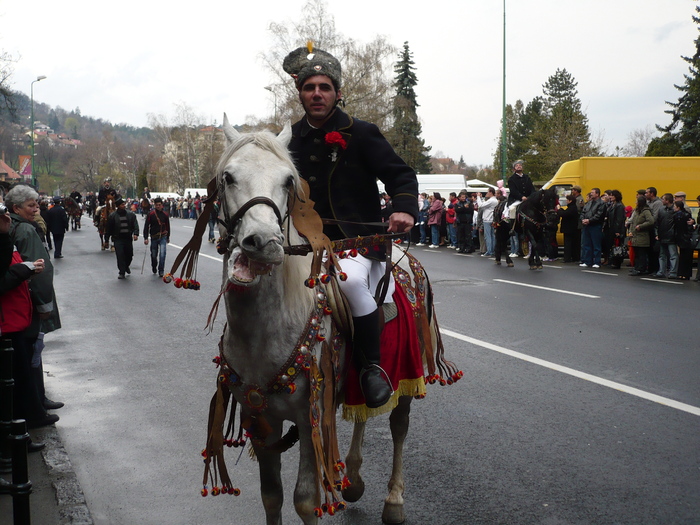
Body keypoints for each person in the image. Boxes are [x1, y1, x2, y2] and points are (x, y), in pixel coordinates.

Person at [284, 45, 418, 409]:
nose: (317, 93)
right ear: (300, 93)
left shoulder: (361, 132)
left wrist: (404, 208)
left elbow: (401, 175)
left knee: (352, 281)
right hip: (300, 245)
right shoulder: (287, 139)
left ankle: (370, 368)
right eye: (309, 86)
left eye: (324, 87)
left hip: (354, 244)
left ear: (337, 93)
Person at [6, 185, 64, 419]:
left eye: (37, 203)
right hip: (28, 300)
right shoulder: (25, 231)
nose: (36, 208)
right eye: (31, 205)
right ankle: (35, 408)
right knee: (32, 351)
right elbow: (38, 269)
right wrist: (43, 304)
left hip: (21, 299)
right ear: (16, 208)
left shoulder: (18, 226)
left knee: (31, 351)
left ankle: (39, 398)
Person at [506, 160, 535, 257]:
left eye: (520, 165)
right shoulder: (512, 179)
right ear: (514, 168)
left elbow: (532, 189)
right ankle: (513, 227)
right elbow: (513, 191)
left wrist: (530, 197)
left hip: (528, 199)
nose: (519, 166)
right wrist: (521, 197)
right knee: (512, 209)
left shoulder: (527, 177)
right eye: (517, 165)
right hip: (517, 199)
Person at [106, 198, 139, 279]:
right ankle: (122, 272)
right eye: (122, 204)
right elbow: (109, 229)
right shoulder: (112, 216)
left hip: (127, 238)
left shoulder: (130, 214)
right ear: (118, 206)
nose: (124, 206)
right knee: (120, 255)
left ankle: (126, 266)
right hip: (118, 239)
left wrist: (136, 234)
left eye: (124, 204)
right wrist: (106, 239)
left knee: (129, 255)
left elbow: (135, 225)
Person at [628, 195, 655, 276]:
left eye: (637, 201)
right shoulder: (637, 211)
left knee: (641, 253)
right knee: (637, 253)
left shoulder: (646, 211)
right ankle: (637, 267)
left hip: (642, 235)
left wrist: (641, 226)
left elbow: (651, 221)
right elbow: (633, 222)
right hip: (635, 235)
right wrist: (630, 231)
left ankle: (641, 269)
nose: (636, 203)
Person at [143, 197, 170, 277]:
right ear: (154, 205)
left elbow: (168, 226)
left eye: (159, 205)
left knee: (162, 254)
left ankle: (161, 270)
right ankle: (154, 265)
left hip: (163, 236)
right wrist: (145, 238)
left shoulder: (165, 215)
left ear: (162, 205)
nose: (158, 206)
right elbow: (146, 226)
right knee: (154, 255)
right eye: (156, 205)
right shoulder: (151, 214)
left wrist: (168, 237)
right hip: (154, 237)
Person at [579, 187, 606, 268]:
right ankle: (587, 261)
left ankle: (597, 262)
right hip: (587, 226)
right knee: (586, 244)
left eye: (593, 192)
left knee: (596, 245)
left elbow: (599, 215)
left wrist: (590, 220)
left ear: (597, 194)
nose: (591, 194)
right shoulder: (589, 203)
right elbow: (583, 212)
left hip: (595, 226)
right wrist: (583, 219)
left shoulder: (601, 203)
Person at [655, 193, 678, 278]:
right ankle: (662, 271)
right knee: (663, 255)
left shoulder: (673, 210)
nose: (662, 201)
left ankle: (672, 272)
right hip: (663, 235)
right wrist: (657, 233)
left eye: (663, 199)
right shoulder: (662, 209)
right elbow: (657, 222)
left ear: (667, 200)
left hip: (670, 236)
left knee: (672, 255)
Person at [604, 190, 626, 269]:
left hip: (616, 229)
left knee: (617, 246)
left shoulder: (619, 206)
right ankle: (612, 261)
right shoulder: (613, 205)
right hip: (611, 228)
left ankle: (617, 262)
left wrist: (617, 231)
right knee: (612, 245)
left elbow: (619, 219)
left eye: (612, 195)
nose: (610, 197)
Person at [672, 200, 694, 280]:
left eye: (675, 206)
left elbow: (689, 227)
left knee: (685, 257)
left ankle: (683, 274)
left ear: (678, 207)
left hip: (684, 238)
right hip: (683, 238)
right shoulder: (680, 215)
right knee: (683, 257)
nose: (673, 208)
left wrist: (687, 236)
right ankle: (683, 274)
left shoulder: (683, 215)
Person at [558, 193, 579, 262]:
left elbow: (564, 214)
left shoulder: (572, 208)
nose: (566, 201)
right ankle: (574, 257)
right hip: (571, 229)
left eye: (567, 200)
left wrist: (559, 209)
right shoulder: (572, 207)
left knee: (568, 244)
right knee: (573, 244)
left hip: (569, 229)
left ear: (570, 201)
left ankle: (567, 258)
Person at [478, 188, 498, 257]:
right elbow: (484, 204)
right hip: (492, 219)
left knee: (488, 236)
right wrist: (481, 198)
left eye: (488, 192)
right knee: (492, 236)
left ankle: (489, 251)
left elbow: (480, 205)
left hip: (487, 219)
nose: (487, 193)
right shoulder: (494, 200)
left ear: (490, 192)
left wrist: (478, 197)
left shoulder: (491, 200)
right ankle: (492, 250)